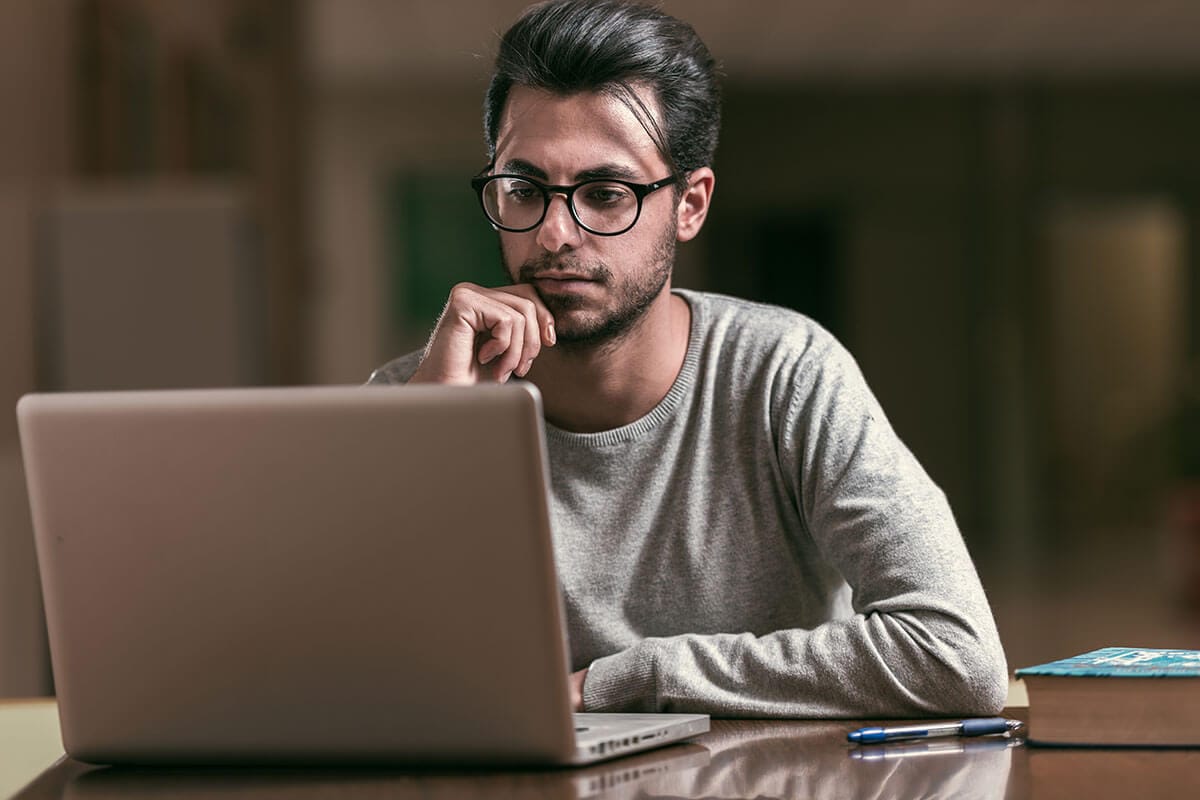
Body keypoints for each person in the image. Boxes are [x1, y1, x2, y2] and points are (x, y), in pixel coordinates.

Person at [369, 0, 1008, 717]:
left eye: (604, 194)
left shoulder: (783, 373)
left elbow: (956, 655)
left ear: (690, 205)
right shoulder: (419, 396)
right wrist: (424, 436)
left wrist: (631, 679)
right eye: (524, 190)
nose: (554, 234)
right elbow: (330, 666)